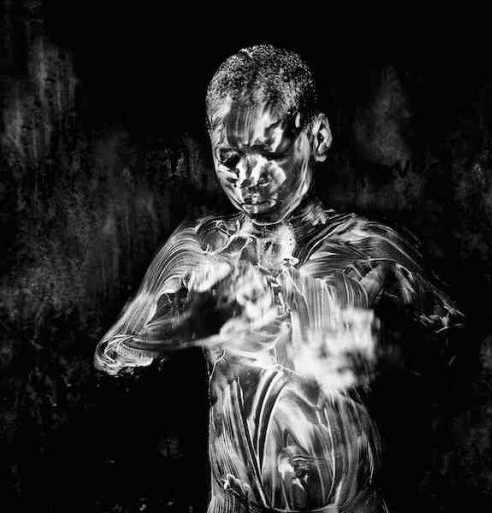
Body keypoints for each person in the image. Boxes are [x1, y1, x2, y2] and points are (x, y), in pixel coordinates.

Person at [95, 44, 462, 513]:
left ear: (319, 137)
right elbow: (112, 358)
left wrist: (382, 350)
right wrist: (185, 327)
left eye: (269, 152)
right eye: (229, 158)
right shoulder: (200, 250)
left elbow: (452, 344)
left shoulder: (369, 247)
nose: (248, 177)